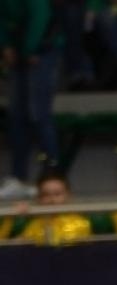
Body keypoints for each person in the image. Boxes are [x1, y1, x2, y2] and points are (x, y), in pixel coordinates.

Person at [2, 0, 63, 193]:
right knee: (17, 116)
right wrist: (5, 46)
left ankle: (53, 177)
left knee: (39, 115)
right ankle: (19, 178)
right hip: (18, 51)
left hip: (43, 49)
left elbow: (40, 18)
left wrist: (31, 49)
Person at [2, 168, 92, 245]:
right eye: (46, 195)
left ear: (68, 195)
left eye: (57, 194)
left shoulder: (81, 223)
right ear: (39, 198)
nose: (52, 200)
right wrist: (10, 218)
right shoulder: (34, 225)